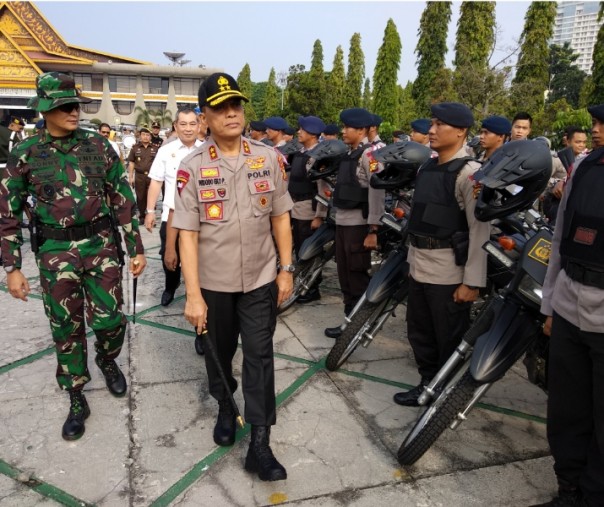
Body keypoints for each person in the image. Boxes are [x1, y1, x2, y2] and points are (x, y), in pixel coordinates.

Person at [0, 72, 146, 441]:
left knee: (112, 322)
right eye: (64, 106)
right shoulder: (26, 153)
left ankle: (107, 359)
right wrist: (12, 267)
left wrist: (136, 247)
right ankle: (76, 394)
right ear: (45, 110)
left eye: (76, 105)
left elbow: (122, 198)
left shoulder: (98, 146)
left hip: (101, 247)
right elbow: (7, 213)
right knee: (66, 329)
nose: (73, 112)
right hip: (54, 253)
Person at [172, 72, 293, 481]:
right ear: (204, 117)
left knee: (260, 357)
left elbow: (280, 217)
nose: (231, 113)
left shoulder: (268, 158)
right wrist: (193, 295)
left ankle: (260, 443)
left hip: (260, 279)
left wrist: (286, 268)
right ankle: (226, 405)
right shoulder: (191, 168)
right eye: (221, 108)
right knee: (218, 354)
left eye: (236, 106)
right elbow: (187, 235)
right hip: (214, 284)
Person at [393, 102, 490, 406]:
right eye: (432, 124)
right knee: (419, 333)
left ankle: (443, 397)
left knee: (447, 336)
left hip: (449, 271)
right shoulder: (427, 168)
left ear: (461, 131)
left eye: (440, 125)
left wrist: (472, 282)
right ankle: (427, 385)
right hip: (421, 264)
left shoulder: (470, 173)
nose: (431, 131)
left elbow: (480, 231)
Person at [536, 104, 604, 507]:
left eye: (601, 125)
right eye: (596, 123)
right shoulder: (585, 166)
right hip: (569, 305)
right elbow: (560, 236)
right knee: (566, 412)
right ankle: (569, 489)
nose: (596, 131)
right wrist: (549, 304)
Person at [324, 107, 385, 338]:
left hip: (359, 225)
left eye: (347, 127)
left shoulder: (369, 156)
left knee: (356, 276)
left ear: (361, 130)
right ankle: (349, 322)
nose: (343, 131)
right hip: (343, 222)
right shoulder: (349, 154)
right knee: (345, 276)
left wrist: (373, 229)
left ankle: (358, 324)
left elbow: (376, 192)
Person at [144, 107, 203, 310]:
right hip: (171, 215)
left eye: (192, 124)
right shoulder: (165, 151)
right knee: (168, 255)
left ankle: (195, 293)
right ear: (176, 126)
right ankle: (170, 286)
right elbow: (156, 182)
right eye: (183, 124)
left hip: (200, 218)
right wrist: (150, 212)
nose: (188, 129)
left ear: (199, 125)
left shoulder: (207, 151)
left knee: (198, 258)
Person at [289, 115, 327, 303]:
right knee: (299, 250)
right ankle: (303, 284)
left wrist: (319, 215)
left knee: (309, 249)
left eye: (302, 130)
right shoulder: (300, 153)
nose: (298, 132)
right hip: (296, 206)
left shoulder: (318, 156)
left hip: (308, 209)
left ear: (311, 134)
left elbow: (322, 188)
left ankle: (312, 287)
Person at [128, 125, 159, 221]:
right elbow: (131, 162)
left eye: (147, 135)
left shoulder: (155, 148)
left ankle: (151, 216)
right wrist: (130, 176)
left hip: (151, 176)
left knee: (152, 195)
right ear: (140, 136)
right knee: (140, 196)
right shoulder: (135, 148)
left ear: (150, 136)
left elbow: (159, 163)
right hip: (139, 176)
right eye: (143, 134)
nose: (145, 137)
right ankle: (142, 216)